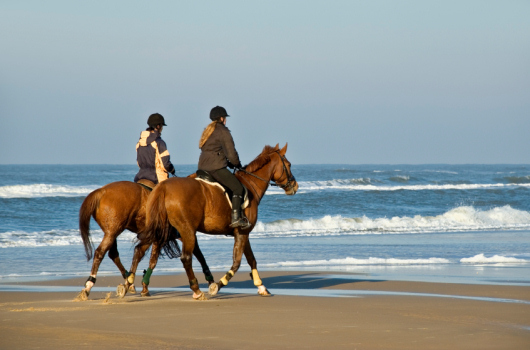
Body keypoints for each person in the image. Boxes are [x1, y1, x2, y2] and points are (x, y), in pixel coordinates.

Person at [198, 106, 249, 228]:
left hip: (202, 167)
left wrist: (228, 163)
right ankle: (236, 218)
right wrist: (237, 164)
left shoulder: (208, 131)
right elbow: (231, 153)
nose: (225, 120)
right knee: (238, 188)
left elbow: (214, 151)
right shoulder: (223, 131)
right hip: (216, 168)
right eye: (225, 117)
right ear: (221, 118)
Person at [134, 113, 175, 185]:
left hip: (140, 177)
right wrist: (172, 169)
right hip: (157, 179)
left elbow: (139, 163)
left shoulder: (139, 143)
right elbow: (165, 164)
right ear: (158, 126)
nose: (162, 128)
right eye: (162, 126)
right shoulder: (159, 143)